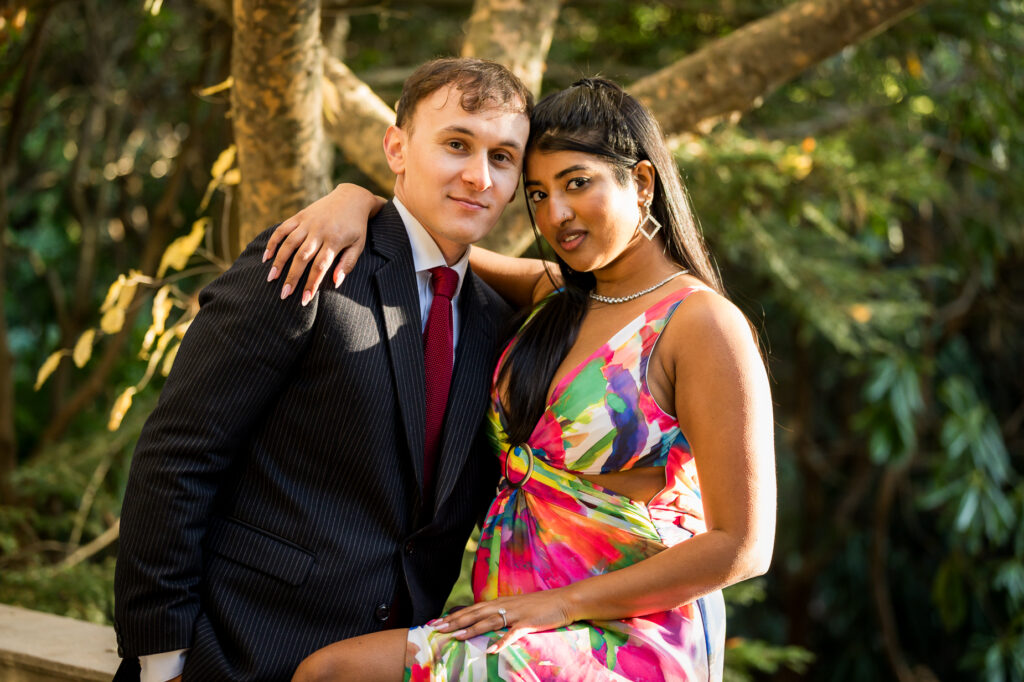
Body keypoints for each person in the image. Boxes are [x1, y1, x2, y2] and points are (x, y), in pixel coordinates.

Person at [267, 78, 776, 681]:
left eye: (577, 183)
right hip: (514, 619)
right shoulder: (556, 296)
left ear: (641, 183)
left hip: (621, 634)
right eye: (537, 194)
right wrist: (356, 199)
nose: (555, 214)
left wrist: (557, 605)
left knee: (335, 674)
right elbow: (431, 238)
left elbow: (743, 544)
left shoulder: (700, 324)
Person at [113, 58, 533, 681]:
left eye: (503, 158)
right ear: (397, 147)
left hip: (379, 665)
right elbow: (178, 456)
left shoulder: (497, 324)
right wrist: (162, 659)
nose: (479, 176)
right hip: (231, 656)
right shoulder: (307, 258)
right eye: (455, 144)